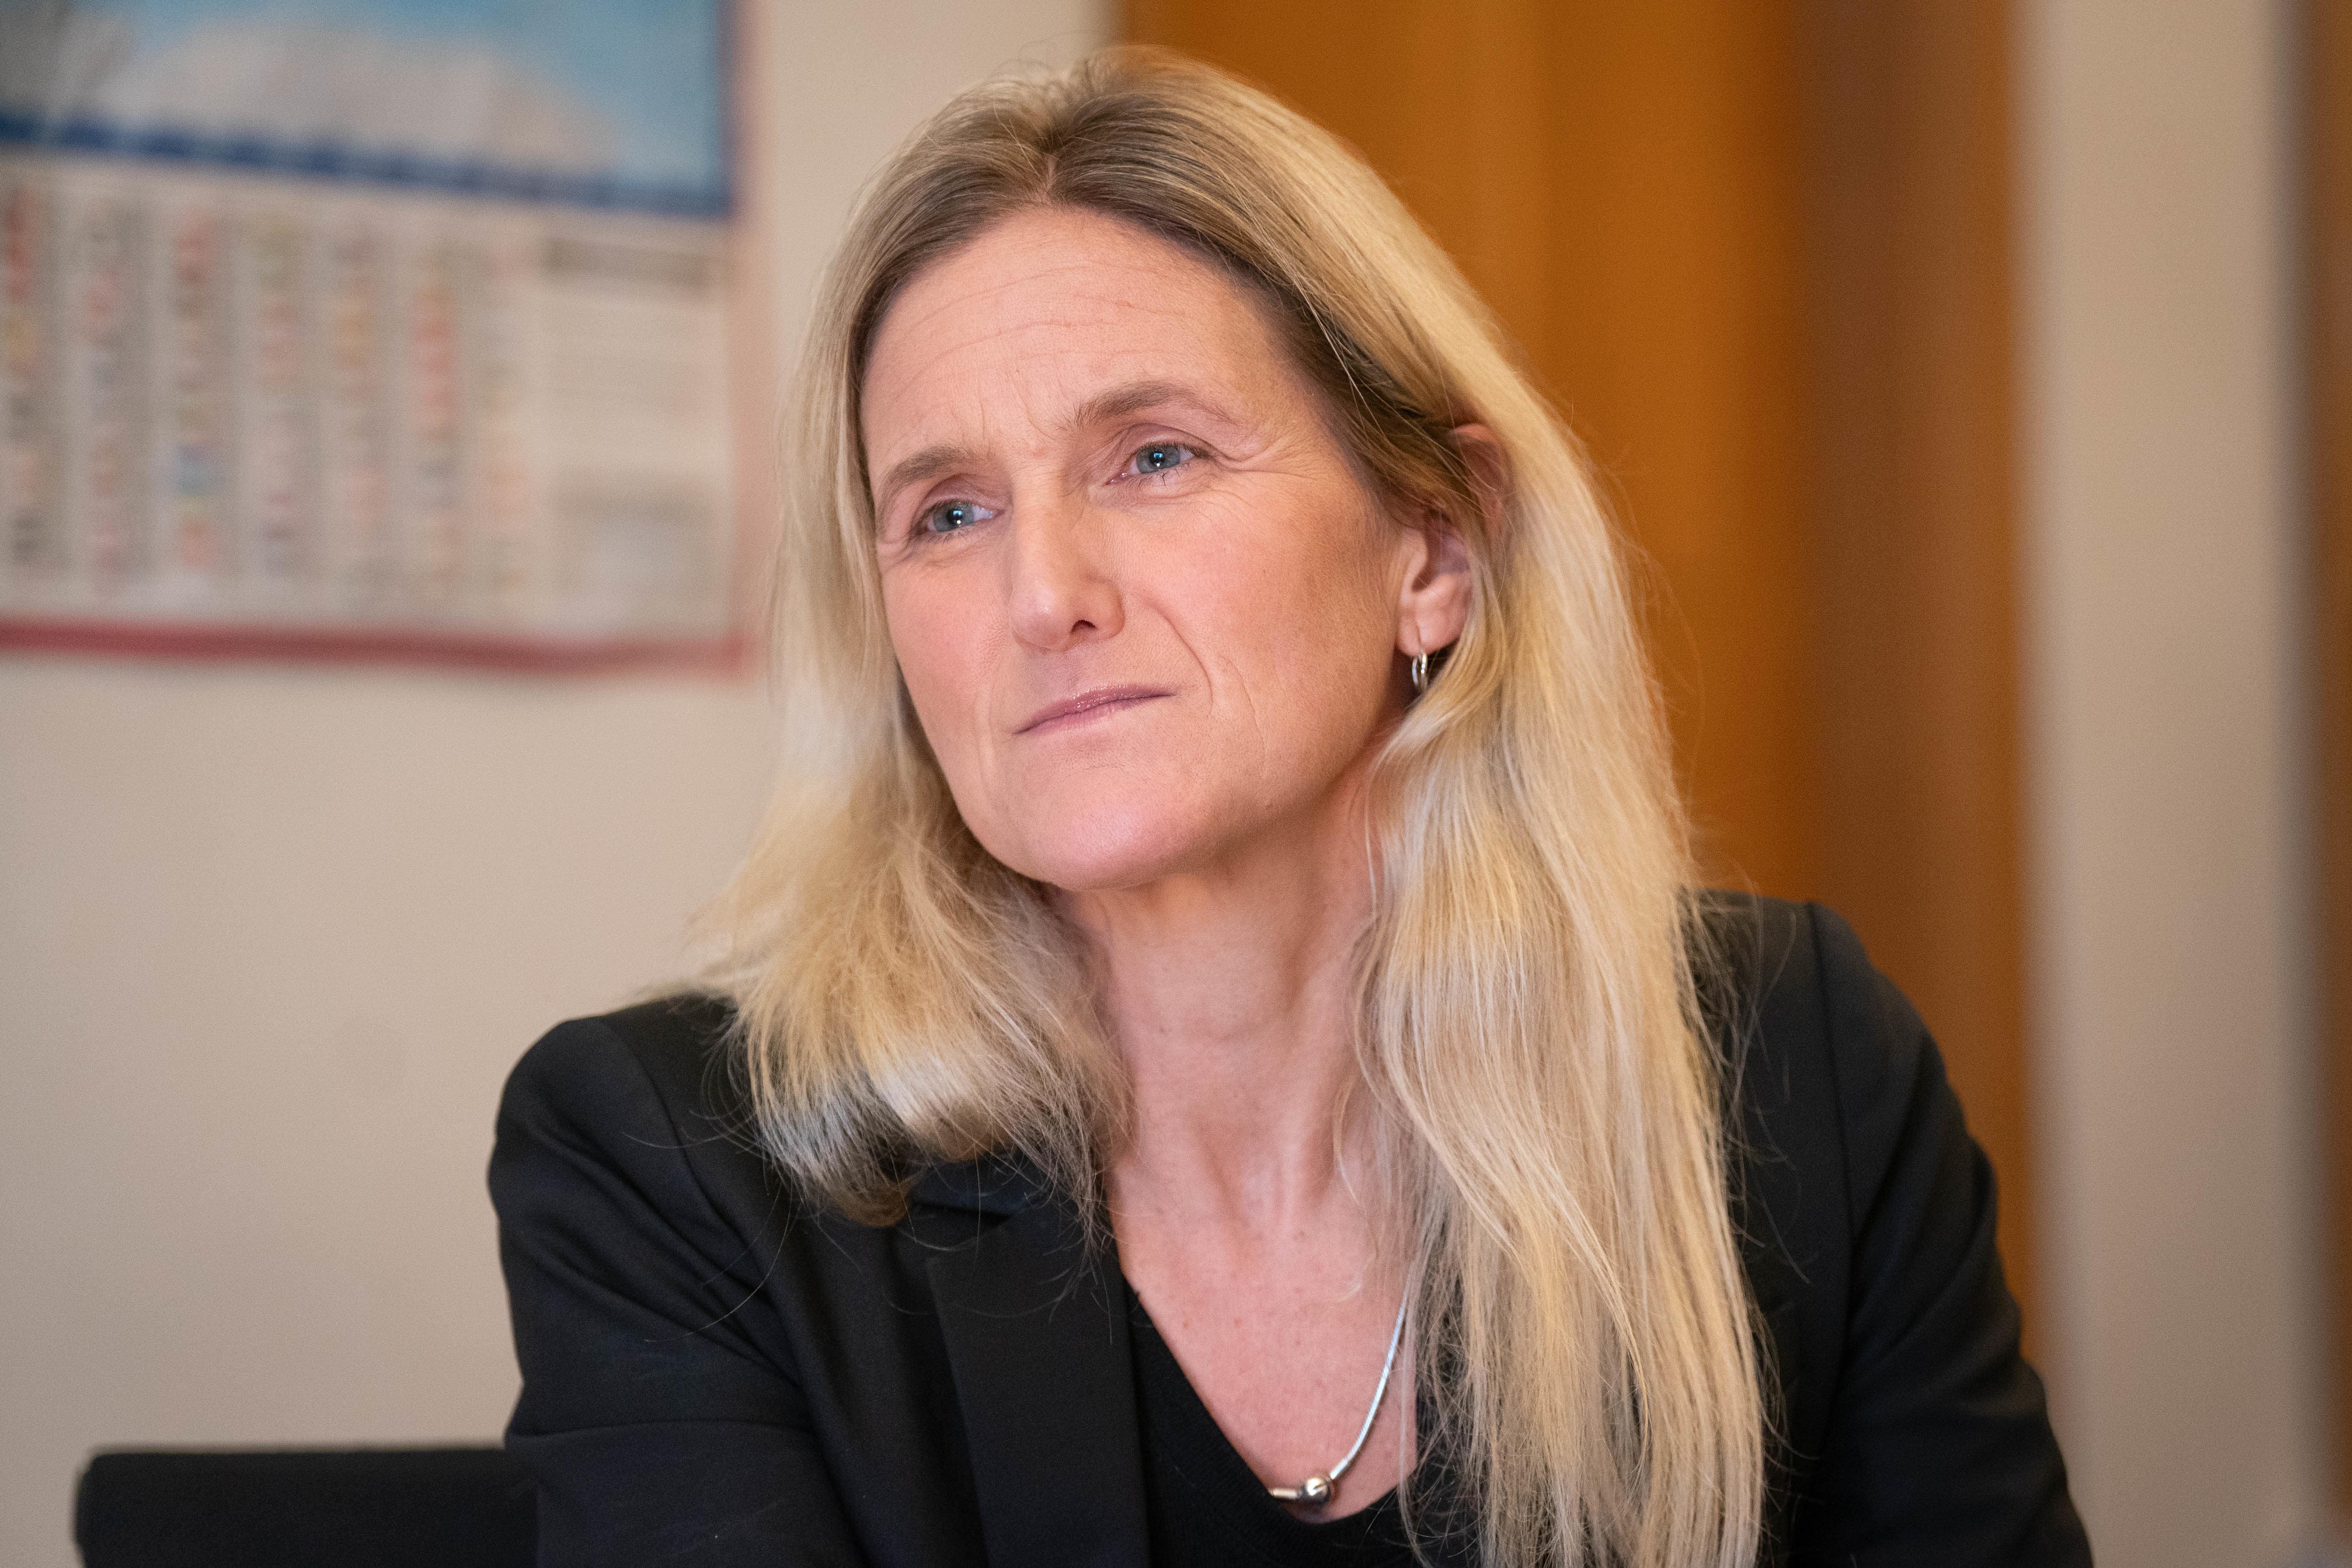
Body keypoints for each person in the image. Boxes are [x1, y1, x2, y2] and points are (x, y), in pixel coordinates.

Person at [489, 48, 2089, 1568]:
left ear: (1434, 551)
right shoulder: (676, 1161)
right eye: (949, 510)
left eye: (1156, 456)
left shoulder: (1790, 1070)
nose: (1042, 592)